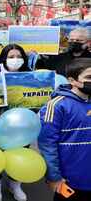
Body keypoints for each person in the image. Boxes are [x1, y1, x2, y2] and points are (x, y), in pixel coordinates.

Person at [38, 58, 91, 201]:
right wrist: (54, 177)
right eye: (89, 77)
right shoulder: (56, 105)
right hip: (70, 181)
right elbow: (47, 145)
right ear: (72, 80)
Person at [0, 44, 30, 201]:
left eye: (19, 56)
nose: (15, 60)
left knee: (19, 154)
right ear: (3, 59)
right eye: (11, 57)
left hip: (23, 126)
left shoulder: (31, 76)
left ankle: (15, 185)